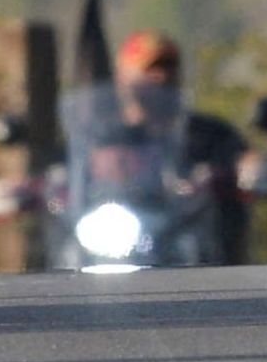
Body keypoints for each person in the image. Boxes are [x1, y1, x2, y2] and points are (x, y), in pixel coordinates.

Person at [107, 31, 253, 264]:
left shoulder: (210, 133)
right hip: (119, 243)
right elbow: (68, 172)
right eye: (150, 68)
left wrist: (253, 173)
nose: (162, 76)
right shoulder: (106, 138)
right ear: (123, 77)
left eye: (169, 67)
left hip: (202, 250)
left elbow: (246, 162)